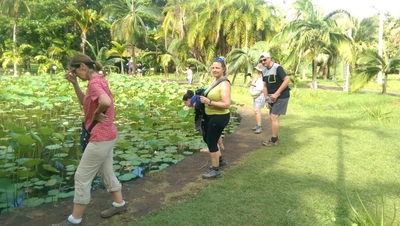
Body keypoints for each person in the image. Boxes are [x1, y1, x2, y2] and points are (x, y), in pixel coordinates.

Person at [53, 54, 126, 226]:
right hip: (108, 135)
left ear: (83, 67)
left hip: (100, 137)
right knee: (106, 172)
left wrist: (96, 114)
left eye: (75, 72)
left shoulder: (94, 83)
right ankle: (119, 205)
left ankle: (74, 220)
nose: (76, 75)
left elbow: (105, 101)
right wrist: (75, 84)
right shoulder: (99, 79)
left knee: (81, 177)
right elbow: (85, 102)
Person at [199, 57, 231, 179]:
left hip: (219, 117)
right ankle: (220, 160)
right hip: (211, 116)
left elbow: (227, 104)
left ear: (223, 69)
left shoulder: (224, 83)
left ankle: (216, 170)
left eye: (217, 68)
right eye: (213, 67)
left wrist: (209, 101)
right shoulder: (215, 81)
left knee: (212, 142)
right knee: (208, 139)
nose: (214, 70)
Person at [259, 52, 290, 146]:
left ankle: (274, 140)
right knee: (271, 118)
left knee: (274, 116)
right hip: (271, 97)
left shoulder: (277, 68)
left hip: (281, 96)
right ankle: (274, 138)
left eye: (264, 60)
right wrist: (266, 100)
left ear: (269, 58)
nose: (263, 62)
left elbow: (287, 80)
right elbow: (265, 86)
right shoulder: (264, 71)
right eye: (261, 61)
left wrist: (277, 94)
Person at [249, 63, 265, 134]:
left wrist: (253, 85)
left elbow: (261, 87)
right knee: (256, 111)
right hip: (256, 95)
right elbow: (256, 83)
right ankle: (258, 125)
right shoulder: (259, 77)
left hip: (260, 96)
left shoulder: (263, 78)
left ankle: (259, 126)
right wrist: (252, 78)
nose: (256, 70)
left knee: (257, 110)